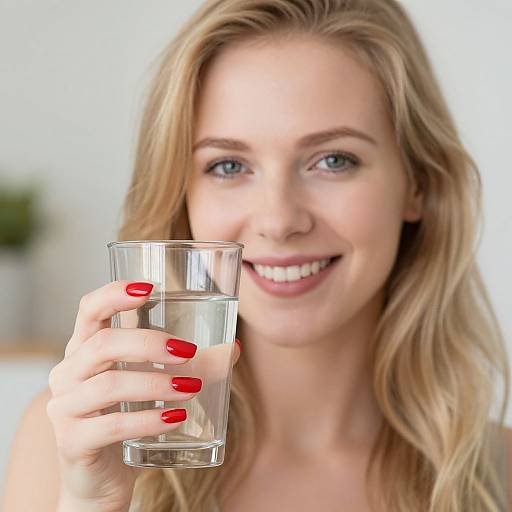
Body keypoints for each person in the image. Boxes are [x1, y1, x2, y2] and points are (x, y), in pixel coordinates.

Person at [2, 0, 511, 511]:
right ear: (182, 197)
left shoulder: (500, 476)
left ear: (417, 184)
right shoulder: (76, 447)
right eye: (227, 166)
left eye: (333, 160)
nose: (279, 219)